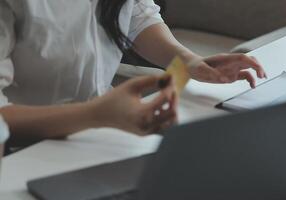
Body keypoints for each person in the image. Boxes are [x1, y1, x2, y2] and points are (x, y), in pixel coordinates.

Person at [0, 0, 266, 146]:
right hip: (25, 145)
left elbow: (137, 14)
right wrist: (96, 114)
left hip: (100, 134)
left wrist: (188, 62)